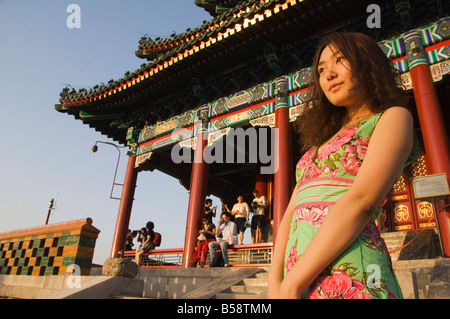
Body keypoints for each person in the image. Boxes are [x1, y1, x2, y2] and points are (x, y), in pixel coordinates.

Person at [268, 32, 419, 299]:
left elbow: (362, 200)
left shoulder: (391, 118)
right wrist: (276, 282)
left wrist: (292, 284)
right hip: (297, 276)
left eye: (340, 60)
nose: (328, 74)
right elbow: (289, 215)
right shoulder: (317, 147)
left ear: (368, 64)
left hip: (352, 271)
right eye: (321, 69)